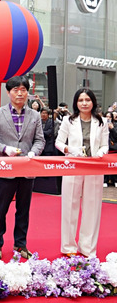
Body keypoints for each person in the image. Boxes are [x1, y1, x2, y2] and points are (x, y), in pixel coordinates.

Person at [0, 76, 45, 260]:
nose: (20, 93)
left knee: (23, 209)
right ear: (8, 92)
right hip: (5, 168)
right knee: (1, 208)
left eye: (23, 89)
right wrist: (4, 149)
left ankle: (20, 244)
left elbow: (40, 139)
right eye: (16, 90)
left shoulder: (34, 115)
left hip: (27, 168)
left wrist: (33, 153)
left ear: (27, 92)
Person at [55, 89, 108, 258]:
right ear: (76, 103)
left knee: (92, 208)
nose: (84, 103)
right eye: (80, 100)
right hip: (73, 165)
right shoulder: (67, 121)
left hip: (94, 167)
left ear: (93, 102)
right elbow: (58, 142)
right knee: (69, 205)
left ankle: (88, 248)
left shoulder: (102, 122)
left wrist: (100, 153)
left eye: (87, 100)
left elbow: (105, 145)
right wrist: (70, 149)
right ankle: (68, 246)